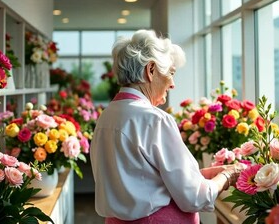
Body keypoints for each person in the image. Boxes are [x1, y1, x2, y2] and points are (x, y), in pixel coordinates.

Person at [90, 29, 241, 224]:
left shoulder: (107, 116)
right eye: (171, 73)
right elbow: (194, 198)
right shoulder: (154, 119)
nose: (173, 84)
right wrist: (229, 175)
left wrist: (198, 176)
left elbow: (139, 180)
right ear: (151, 70)